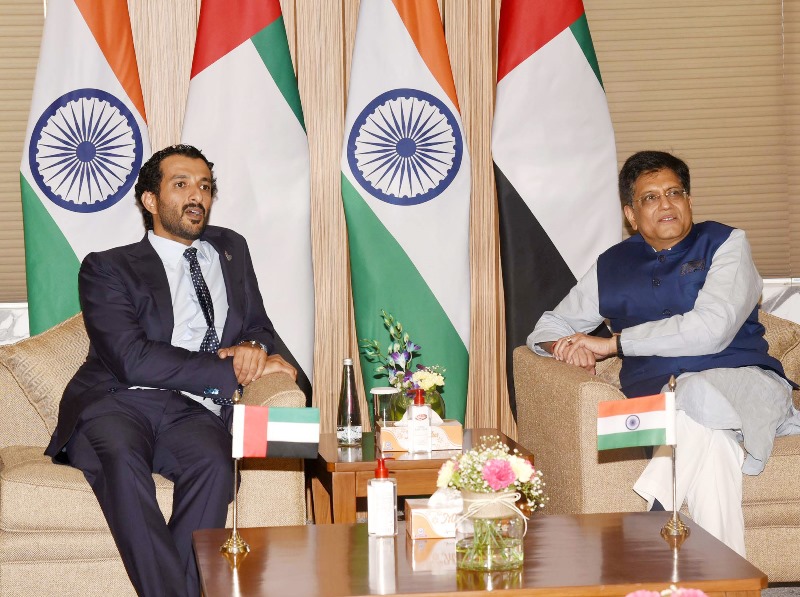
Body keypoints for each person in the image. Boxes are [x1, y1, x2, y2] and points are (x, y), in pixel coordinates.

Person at [44, 144, 297, 596]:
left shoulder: (231, 249)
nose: (196, 196)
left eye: (204, 186)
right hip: (119, 401)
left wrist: (257, 349)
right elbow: (131, 358)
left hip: (192, 413)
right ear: (150, 200)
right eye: (181, 185)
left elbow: (258, 325)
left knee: (215, 465)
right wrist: (227, 370)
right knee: (122, 459)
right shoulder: (108, 267)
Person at [527, 150, 800, 556]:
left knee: (693, 392)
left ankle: (650, 522)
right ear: (631, 215)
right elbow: (547, 327)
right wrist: (563, 345)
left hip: (748, 386)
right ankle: (727, 579)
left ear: (689, 201)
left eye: (674, 192)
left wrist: (615, 344)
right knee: (714, 448)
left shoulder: (726, 243)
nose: (666, 203)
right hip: (658, 409)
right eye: (650, 198)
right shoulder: (611, 266)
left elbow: (710, 330)